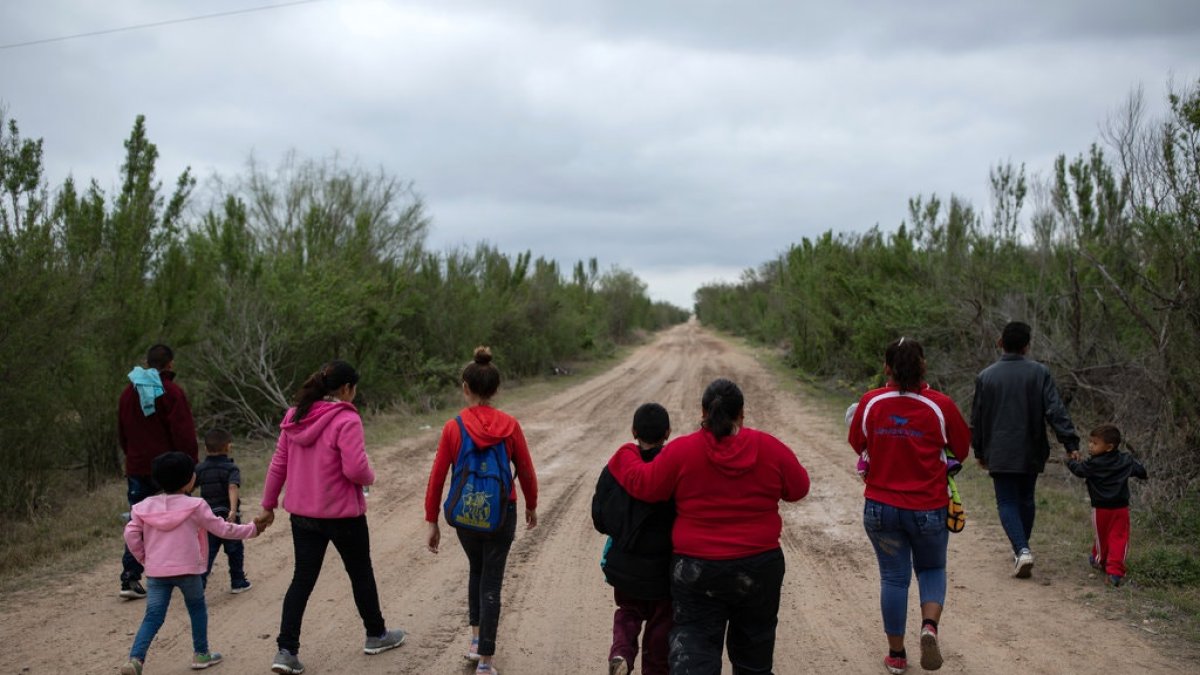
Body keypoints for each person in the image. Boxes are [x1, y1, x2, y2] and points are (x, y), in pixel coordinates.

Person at [607, 378, 810, 675]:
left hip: (697, 571)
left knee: (695, 649)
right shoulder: (769, 447)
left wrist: (626, 453)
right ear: (742, 414)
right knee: (754, 655)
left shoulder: (682, 451)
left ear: (703, 412)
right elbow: (799, 488)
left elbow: (645, 485)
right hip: (759, 568)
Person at [259, 360, 407, 675]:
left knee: (302, 578)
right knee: (360, 573)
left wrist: (268, 505)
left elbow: (278, 464)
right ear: (346, 389)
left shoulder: (294, 416)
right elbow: (355, 469)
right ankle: (376, 634)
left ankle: (286, 651)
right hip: (343, 515)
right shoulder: (346, 418)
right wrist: (371, 475)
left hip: (302, 516)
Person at [849, 337, 971, 674]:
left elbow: (858, 442)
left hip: (880, 506)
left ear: (886, 367)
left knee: (893, 579)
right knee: (931, 569)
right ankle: (929, 627)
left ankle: (897, 655)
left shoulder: (871, 402)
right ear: (923, 366)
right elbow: (960, 448)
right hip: (928, 508)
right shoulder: (940, 405)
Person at [424, 346, 539, 675]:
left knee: (477, 571)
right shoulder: (510, 425)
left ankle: (476, 641)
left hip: (465, 515)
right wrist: (531, 505)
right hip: (503, 513)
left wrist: (432, 520)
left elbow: (437, 477)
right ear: (497, 389)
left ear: (465, 388)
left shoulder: (453, 427)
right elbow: (527, 471)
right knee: (492, 581)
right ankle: (486, 662)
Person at [119, 451, 266, 675]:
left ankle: (135, 660)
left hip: (157, 572)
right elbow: (222, 528)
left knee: (153, 616)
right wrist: (252, 529)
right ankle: (201, 654)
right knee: (196, 609)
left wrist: (144, 558)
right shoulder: (196, 505)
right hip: (189, 570)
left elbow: (130, 534)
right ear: (190, 480)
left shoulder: (143, 507)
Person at [971, 321, 1080, 578]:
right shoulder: (1039, 372)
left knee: (1007, 500)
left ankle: (1021, 549)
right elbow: (1055, 410)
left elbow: (978, 418)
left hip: (999, 449)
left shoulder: (985, 376)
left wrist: (979, 451)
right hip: (1031, 447)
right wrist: (1070, 442)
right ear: (1027, 346)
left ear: (1001, 343)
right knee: (1026, 499)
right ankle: (1022, 549)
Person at [592, 403, 675, 675]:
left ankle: (621, 653)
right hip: (664, 572)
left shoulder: (616, 467)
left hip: (625, 567)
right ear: (668, 433)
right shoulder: (673, 470)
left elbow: (599, 518)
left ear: (633, 431)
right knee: (661, 626)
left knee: (627, 611)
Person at [117, 343, 199, 599]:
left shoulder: (127, 394)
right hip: (168, 469)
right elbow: (183, 433)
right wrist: (190, 466)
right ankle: (178, 570)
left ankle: (130, 577)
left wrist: (131, 457)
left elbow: (122, 432)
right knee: (176, 519)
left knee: (138, 521)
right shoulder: (171, 392)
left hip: (137, 466)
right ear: (170, 364)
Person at [1065, 424, 1148, 587]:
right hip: (1121, 509)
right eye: (1090, 442)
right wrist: (1142, 473)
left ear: (1109, 447)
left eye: (1095, 443)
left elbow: (1079, 470)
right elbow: (1140, 470)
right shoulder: (1125, 460)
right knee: (1119, 538)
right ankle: (1115, 572)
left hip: (1101, 509)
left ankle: (1100, 560)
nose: (1090, 445)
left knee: (1102, 537)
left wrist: (1070, 462)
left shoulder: (1093, 464)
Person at [196, 427, 252, 593]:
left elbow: (190, 486)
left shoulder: (200, 469)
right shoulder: (231, 468)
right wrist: (233, 510)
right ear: (228, 447)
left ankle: (199, 585)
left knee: (208, 551)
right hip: (227, 515)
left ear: (206, 448)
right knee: (234, 548)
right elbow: (233, 487)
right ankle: (238, 581)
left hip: (207, 517)